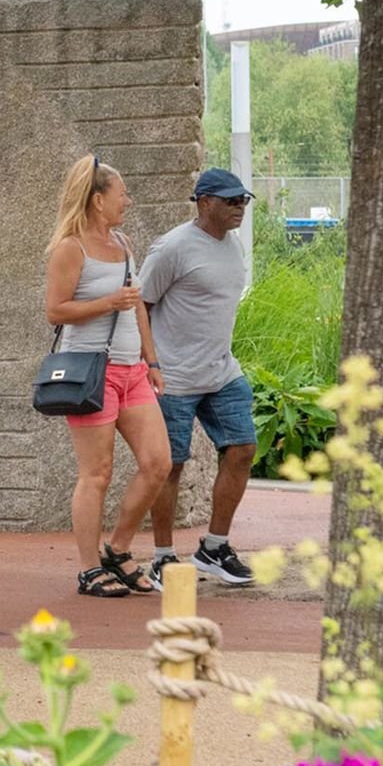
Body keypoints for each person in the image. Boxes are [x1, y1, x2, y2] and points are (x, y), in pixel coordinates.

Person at [43, 154, 172, 597]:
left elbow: (136, 304)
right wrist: (107, 303)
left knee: (158, 462)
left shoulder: (123, 244)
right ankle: (87, 568)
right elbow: (55, 311)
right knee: (96, 473)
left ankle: (117, 548)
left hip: (132, 370)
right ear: (98, 200)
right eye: (122, 194)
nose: (128, 201)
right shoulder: (70, 248)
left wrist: (152, 362)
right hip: (89, 372)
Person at [137, 169, 258, 588]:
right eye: (231, 201)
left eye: (244, 200)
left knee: (243, 448)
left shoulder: (234, 245)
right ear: (204, 202)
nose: (240, 207)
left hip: (221, 371)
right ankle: (164, 557)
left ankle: (214, 547)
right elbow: (141, 305)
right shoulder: (171, 248)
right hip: (173, 377)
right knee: (170, 466)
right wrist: (150, 363)